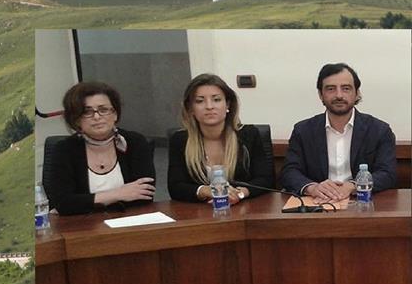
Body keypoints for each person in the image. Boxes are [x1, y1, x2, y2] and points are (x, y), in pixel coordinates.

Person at [280, 63, 396, 201]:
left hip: (362, 201)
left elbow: (388, 173)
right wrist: (312, 188)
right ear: (320, 95)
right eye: (331, 89)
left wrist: (353, 186)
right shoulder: (303, 131)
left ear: (357, 93)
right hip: (318, 203)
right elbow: (289, 171)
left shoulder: (379, 130)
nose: (339, 95)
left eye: (346, 88)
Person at [43, 81, 156, 215]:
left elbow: (144, 195)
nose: (97, 117)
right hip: (81, 224)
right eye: (87, 112)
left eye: (103, 110)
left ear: (115, 114)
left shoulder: (135, 142)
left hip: (129, 220)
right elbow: (63, 203)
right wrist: (118, 194)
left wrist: (87, 202)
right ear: (76, 119)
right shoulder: (64, 149)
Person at [168, 73, 274, 203]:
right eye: (200, 101)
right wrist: (205, 191)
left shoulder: (249, 135)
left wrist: (240, 194)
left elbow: (265, 180)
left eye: (216, 99)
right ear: (190, 108)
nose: (209, 106)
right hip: (200, 211)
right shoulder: (180, 140)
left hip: (243, 209)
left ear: (228, 104)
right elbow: (175, 187)